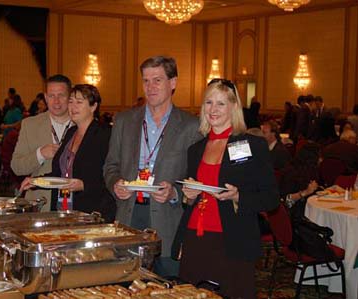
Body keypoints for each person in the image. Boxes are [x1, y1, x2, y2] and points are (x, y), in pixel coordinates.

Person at [172, 79, 279, 298]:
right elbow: (189, 199)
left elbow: (271, 198)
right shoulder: (195, 149)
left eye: (220, 103)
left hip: (232, 239)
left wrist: (238, 196)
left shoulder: (251, 145)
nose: (213, 109)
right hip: (195, 237)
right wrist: (188, 196)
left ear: (234, 107)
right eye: (209, 102)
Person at [104, 56, 202, 277]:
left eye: (157, 80)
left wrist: (174, 193)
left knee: (167, 285)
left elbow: (195, 177)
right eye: (146, 81)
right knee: (126, 284)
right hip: (128, 214)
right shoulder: (123, 121)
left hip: (168, 219)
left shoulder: (191, 126)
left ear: (173, 83)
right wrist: (115, 183)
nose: (150, 87)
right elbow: (110, 165)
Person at [21, 84, 116, 221]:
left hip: (92, 210)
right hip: (63, 208)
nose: (73, 107)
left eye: (79, 102)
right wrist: (37, 181)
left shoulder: (105, 134)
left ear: (93, 106)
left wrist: (84, 185)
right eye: (71, 101)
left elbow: (111, 174)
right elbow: (59, 174)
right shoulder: (71, 132)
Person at [11, 74, 73, 210]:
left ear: (70, 97)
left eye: (61, 95)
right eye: (51, 96)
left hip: (77, 202)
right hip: (41, 203)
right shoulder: (30, 125)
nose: (56, 101)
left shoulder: (82, 125)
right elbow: (16, 167)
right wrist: (40, 154)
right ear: (45, 97)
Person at [279, 142, 321, 219]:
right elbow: (286, 201)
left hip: (307, 209)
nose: (321, 159)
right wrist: (305, 192)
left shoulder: (312, 170)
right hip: (295, 215)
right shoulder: (291, 172)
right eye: (319, 156)